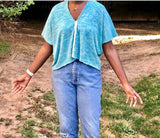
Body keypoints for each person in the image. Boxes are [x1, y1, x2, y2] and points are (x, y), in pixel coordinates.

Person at [11, 1, 143, 138]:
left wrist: (125, 83)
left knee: (91, 130)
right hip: (61, 76)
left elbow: (109, 48)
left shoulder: (99, 10)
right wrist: (28, 74)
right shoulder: (57, 11)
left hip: (90, 75)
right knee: (67, 130)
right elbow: (47, 46)